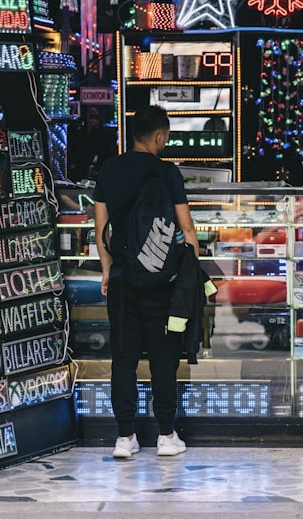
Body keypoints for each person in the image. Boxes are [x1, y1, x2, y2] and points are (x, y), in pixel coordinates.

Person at [93, 106, 199, 459]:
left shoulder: (109, 169)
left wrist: (108, 269)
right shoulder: (167, 173)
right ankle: (167, 436)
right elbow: (186, 229)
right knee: (163, 358)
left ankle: (125, 437)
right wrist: (190, 273)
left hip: (123, 280)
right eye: (165, 136)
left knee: (122, 358)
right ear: (158, 136)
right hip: (162, 283)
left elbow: (100, 230)